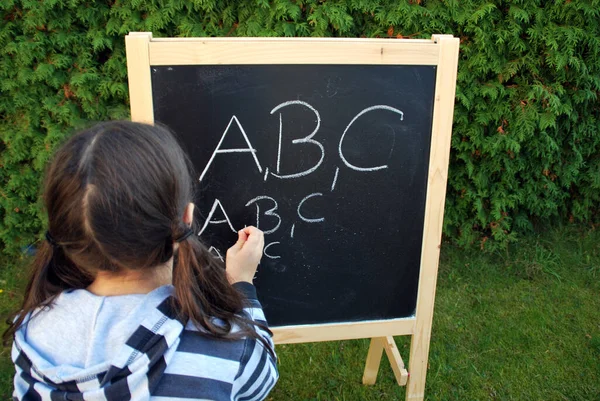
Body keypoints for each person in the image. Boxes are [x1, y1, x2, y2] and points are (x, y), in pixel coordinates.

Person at [3, 121, 278, 400]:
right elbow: (263, 377)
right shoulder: (227, 349)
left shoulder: (32, 337)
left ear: (66, 236)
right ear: (186, 219)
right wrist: (241, 285)